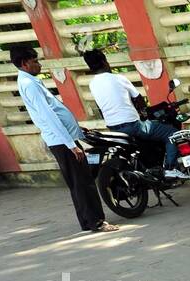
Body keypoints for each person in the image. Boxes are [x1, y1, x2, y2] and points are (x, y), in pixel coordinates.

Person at [10, 45, 117, 233]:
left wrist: (75, 130)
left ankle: (87, 221)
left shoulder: (28, 82)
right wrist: (71, 145)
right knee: (83, 182)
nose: (39, 65)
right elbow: (49, 116)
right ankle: (96, 222)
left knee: (78, 183)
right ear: (25, 63)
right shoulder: (29, 84)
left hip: (63, 139)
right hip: (62, 142)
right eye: (35, 61)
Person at [83, 49, 184, 178]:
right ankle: (171, 168)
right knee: (171, 133)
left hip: (112, 128)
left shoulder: (92, 84)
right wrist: (143, 112)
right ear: (104, 61)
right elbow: (139, 100)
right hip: (133, 126)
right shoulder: (118, 78)